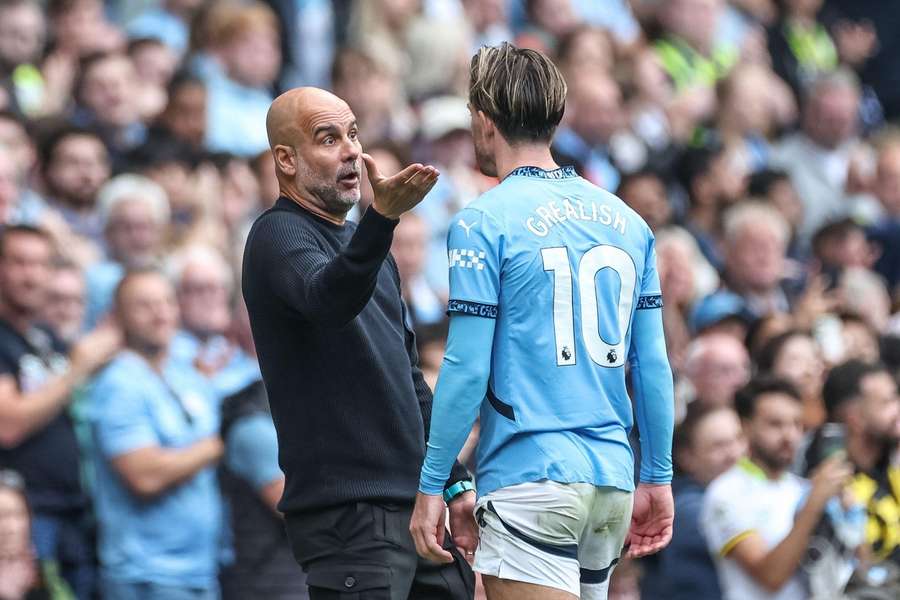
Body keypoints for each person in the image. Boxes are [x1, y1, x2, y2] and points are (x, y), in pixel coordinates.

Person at [411, 43, 675, 600]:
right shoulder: (628, 222)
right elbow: (651, 364)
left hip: (532, 478)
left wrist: (433, 482)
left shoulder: (483, 221)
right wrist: (659, 474)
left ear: (484, 121)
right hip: (610, 480)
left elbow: (462, 367)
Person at [241, 87, 475, 599]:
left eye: (353, 134)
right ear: (286, 160)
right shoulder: (276, 235)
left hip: (416, 507)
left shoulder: (371, 251)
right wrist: (382, 219)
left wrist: (454, 479)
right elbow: (329, 301)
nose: (351, 151)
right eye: (328, 139)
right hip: (348, 519)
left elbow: (408, 379)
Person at [88, 269, 223, 599]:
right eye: (144, 305)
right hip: (146, 576)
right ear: (117, 317)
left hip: (200, 571)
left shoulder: (186, 374)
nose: (160, 313)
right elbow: (144, 475)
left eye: (166, 301)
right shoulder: (118, 383)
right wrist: (219, 443)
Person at [0, 225, 118, 600]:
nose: (31, 275)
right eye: (19, 263)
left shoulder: (45, 337)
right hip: (25, 520)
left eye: (40, 264)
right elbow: (9, 423)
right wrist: (76, 369)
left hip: (73, 514)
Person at [700, 377, 853, 600]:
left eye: (796, 424)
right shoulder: (725, 492)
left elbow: (854, 565)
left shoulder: (801, 487)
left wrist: (852, 516)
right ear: (745, 426)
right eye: (775, 424)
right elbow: (771, 577)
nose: (790, 436)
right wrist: (813, 504)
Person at [641, 404, 745, 600]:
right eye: (719, 446)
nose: (734, 453)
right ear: (687, 457)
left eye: (739, 439)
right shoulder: (688, 510)